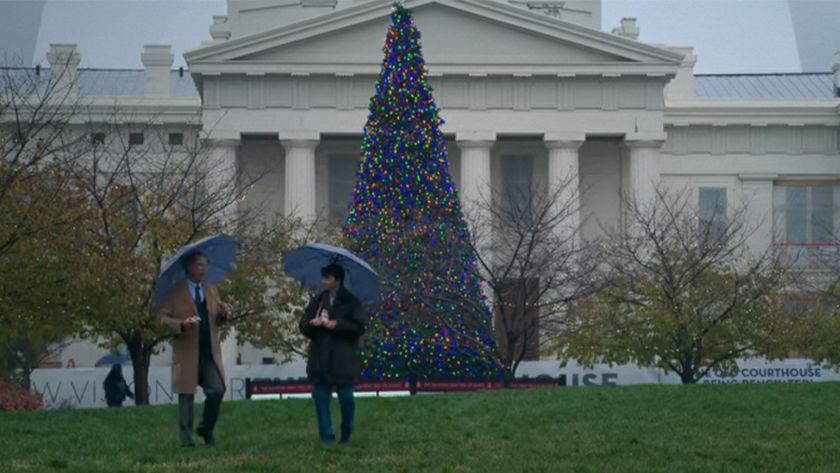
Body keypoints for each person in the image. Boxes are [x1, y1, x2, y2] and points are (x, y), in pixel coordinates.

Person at [156, 252, 231, 447]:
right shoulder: (175, 292)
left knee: (217, 389)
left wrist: (223, 314)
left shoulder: (211, 289)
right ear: (188, 267)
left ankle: (206, 428)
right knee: (186, 394)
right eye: (199, 265)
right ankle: (186, 437)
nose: (203, 269)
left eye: (205, 265)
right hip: (186, 352)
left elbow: (216, 316)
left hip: (209, 353)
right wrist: (181, 323)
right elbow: (161, 319)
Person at [299, 263, 367, 445]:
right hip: (320, 359)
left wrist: (336, 325)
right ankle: (327, 436)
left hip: (342, 360)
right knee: (320, 398)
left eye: (327, 278)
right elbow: (303, 325)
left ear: (337, 280)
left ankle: (346, 433)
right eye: (323, 278)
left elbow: (358, 328)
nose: (324, 281)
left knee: (346, 399)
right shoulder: (318, 300)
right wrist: (312, 324)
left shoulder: (351, 302)